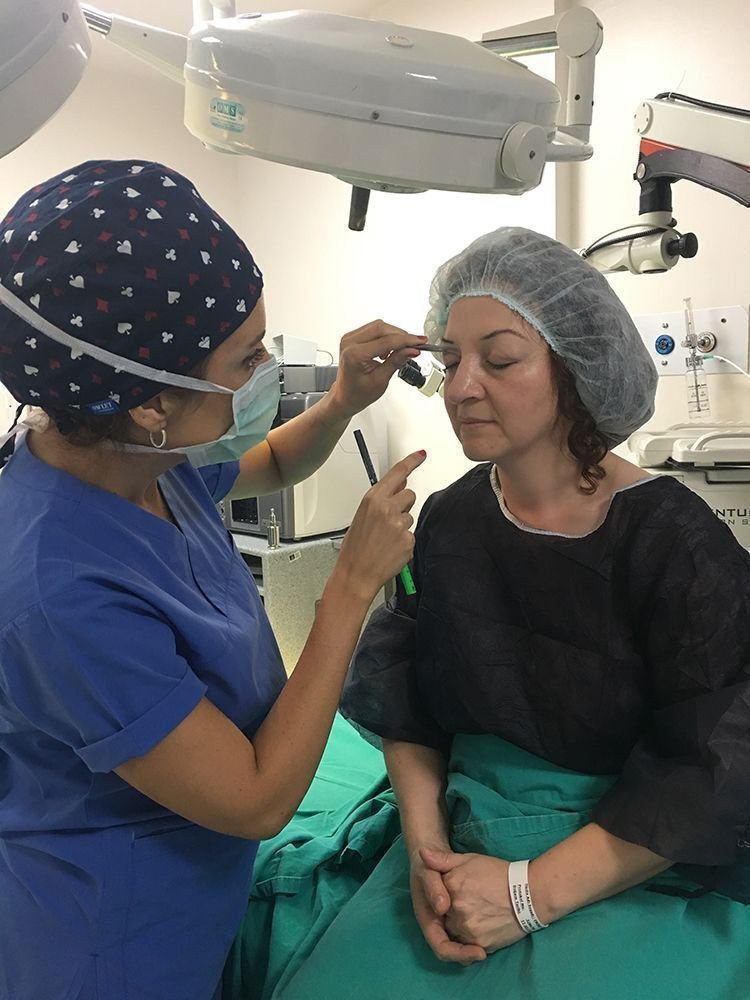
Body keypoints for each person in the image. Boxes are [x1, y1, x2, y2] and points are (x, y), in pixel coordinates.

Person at [256, 227, 750, 1000]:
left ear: (577, 369)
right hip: (458, 824)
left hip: (633, 851)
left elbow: (707, 767)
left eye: (501, 359)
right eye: (451, 360)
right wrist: (425, 850)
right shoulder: (448, 520)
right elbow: (406, 698)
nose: (461, 387)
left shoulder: (675, 544)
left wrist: (527, 895)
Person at [0, 159, 427, 1000]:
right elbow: (257, 801)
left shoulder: (134, 457)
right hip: (109, 937)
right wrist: (350, 586)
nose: (267, 368)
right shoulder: (57, 588)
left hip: (202, 881)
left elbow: (271, 462)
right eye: (247, 357)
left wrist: (343, 399)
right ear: (151, 403)